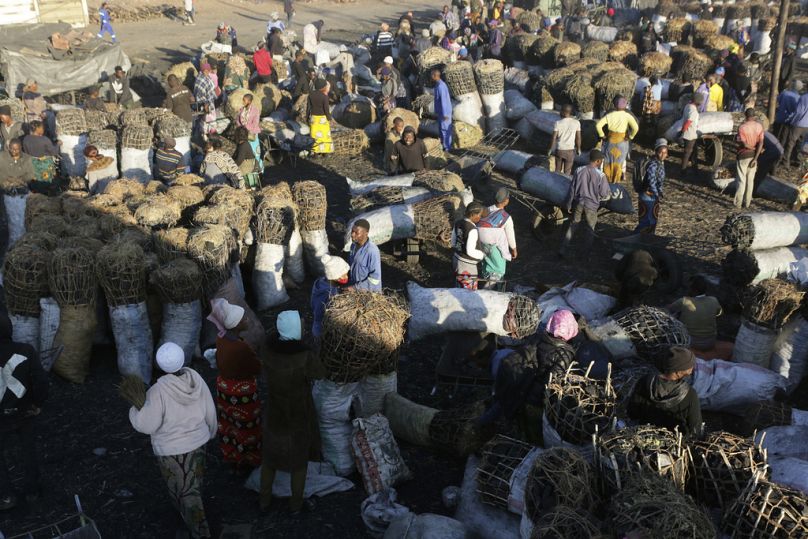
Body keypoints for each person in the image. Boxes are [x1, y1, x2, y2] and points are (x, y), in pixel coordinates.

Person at [129, 342, 217, 539]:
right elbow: (209, 408)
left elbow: (146, 425)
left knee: (183, 494)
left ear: (160, 365)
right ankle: (193, 520)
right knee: (194, 486)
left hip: (172, 452)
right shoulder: (196, 379)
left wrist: (135, 410)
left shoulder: (157, 392)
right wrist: (210, 432)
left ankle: (199, 531)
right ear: (182, 360)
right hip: (199, 444)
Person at [260, 311, 325, 514]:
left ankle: (264, 502)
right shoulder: (304, 357)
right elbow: (321, 373)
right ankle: (296, 505)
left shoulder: (267, 351)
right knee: (298, 464)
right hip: (298, 416)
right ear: (296, 330)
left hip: (274, 415)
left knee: (269, 461)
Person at [487, 310, 577, 439]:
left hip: (520, 386)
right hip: (534, 398)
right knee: (534, 430)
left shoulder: (538, 338)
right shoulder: (564, 354)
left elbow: (523, 356)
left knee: (511, 414)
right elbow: (551, 381)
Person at [0, 311, 48, 511]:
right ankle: (32, 492)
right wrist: (37, 403)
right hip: (24, 411)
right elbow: (41, 382)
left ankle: (5, 497)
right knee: (28, 450)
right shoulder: (26, 350)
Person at [208, 299, 261, 469]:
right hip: (241, 392)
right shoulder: (240, 348)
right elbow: (255, 367)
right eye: (244, 319)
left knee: (229, 423)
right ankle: (247, 460)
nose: (247, 320)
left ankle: (232, 454)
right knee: (247, 426)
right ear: (236, 326)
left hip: (224, 389)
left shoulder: (221, 338)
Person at [627, 346, 703, 436]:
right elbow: (695, 428)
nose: (693, 367)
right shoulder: (689, 394)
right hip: (673, 444)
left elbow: (632, 413)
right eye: (690, 366)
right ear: (678, 372)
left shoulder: (645, 381)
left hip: (645, 436)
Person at [559, 149, 610, 256]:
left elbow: (572, 189)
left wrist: (568, 204)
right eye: (601, 161)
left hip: (579, 203)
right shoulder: (601, 175)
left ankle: (563, 248)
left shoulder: (578, 170)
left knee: (573, 224)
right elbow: (604, 193)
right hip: (591, 206)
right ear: (598, 161)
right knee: (590, 229)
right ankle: (585, 253)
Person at [668, 276, 722, 352]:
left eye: (689, 287)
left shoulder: (684, 301)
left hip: (691, 342)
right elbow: (719, 313)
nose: (687, 290)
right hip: (711, 342)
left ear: (694, 290)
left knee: (673, 316)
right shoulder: (714, 300)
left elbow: (669, 309)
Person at [477, 188, 516, 287]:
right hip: (494, 247)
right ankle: (488, 291)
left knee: (488, 265)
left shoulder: (485, 210)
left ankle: (488, 280)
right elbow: (510, 235)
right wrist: (514, 249)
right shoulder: (506, 217)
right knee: (497, 272)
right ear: (506, 201)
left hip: (480, 243)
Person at [595, 96, 639, 183]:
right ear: (626, 105)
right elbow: (636, 128)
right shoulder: (628, 116)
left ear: (614, 105)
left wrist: (602, 135)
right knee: (619, 161)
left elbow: (598, 125)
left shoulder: (610, 115)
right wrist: (630, 137)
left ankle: (607, 181)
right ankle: (616, 181)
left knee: (608, 160)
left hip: (610, 140)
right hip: (622, 141)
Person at [311, 255, 349, 339]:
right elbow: (323, 313)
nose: (347, 277)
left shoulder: (323, 281)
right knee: (321, 344)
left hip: (318, 322)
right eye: (344, 275)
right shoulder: (327, 293)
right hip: (321, 327)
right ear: (335, 277)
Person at [635, 139, 668, 234]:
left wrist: (659, 192)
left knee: (652, 219)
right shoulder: (653, 163)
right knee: (646, 220)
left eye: (665, 153)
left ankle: (648, 238)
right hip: (648, 194)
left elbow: (659, 180)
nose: (663, 155)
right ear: (656, 152)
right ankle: (637, 238)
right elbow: (651, 180)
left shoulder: (660, 163)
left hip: (652, 194)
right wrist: (656, 193)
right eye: (661, 152)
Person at [735, 108, 764, 209]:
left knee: (741, 180)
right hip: (753, 156)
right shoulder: (759, 126)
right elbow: (761, 142)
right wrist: (756, 156)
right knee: (750, 181)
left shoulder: (742, 127)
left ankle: (738, 204)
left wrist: (753, 148)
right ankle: (747, 203)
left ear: (745, 115)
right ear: (754, 116)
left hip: (743, 155)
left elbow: (744, 144)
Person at [452, 202, 485, 289]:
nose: (480, 217)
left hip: (456, 258)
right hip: (467, 264)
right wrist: (482, 255)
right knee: (469, 290)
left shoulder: (458, 223)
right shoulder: (472, 229)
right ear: (473, 214)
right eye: (479, 215)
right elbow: (470, 251)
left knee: (459, 284)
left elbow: (453, 242)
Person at [347, 219, 382, 292]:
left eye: (356, 232)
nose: (352, 235)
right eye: (352, 231)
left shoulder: (372, 251)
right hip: (354, 287)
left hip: (369, 292)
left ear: (366, 233)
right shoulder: (353, 246)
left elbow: (375, 279)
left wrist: (354, 288)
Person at [781, 89, 808, 170]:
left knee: (790, 143)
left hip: (798, 124)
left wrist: (793, 121)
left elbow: (798, 112)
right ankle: (796, 160)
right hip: (806, 126)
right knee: (800, 143)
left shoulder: (803, 97)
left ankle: (786, 162)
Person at [550, 104, 581, 175]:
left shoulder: (558, 123)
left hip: (559, 150)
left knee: (557, 170)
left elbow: (554, 137)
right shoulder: (576, 123)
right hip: (570, 151)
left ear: (564, 112)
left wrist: (551, 148)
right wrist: (579, 149)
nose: (560, 112)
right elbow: (578, 137)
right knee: (567, 171)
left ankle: (555, 183)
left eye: (561, 111)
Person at [678, 92, 703, 176]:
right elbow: (688, 122)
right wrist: (682, 132)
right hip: (690, 134)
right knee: (687, 153)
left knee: (694, 152)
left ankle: (694, 168)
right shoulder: (693, 111)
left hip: (690, 134)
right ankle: (683, 170)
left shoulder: (687, 106)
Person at [308, 79, 334, 154]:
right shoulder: (324, 97)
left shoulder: (311, 95)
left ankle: (315, 152)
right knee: (325, 136)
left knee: (315, 136)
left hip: (314, 118)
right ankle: (325, 152)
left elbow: (308, 108)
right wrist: (329, 119)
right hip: (322, 119)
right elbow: (326, 109)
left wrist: (307, 117)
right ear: (323, 87)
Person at [432, 69, 453, 152]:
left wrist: (445, 114)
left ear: (434, 76)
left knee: (445, 130)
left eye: (431, 75)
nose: (431, 77)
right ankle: (443, 145)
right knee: (441, 129)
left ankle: (447, 148)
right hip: (441, 112)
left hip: (445, 112)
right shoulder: (438, 85)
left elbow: (444, 101)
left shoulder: (441, 86)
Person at [194, 64, 217, 135]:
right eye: (207, 70)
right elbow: (200, 94)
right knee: (206, 119)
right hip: (205, 104)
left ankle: (211, 131)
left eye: (209, 70)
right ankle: (205, 134)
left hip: (210, 101)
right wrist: (205, 105)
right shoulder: (200, 79)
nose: (208, 72)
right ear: (204, 70)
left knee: (211, 118)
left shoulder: (206, 76)